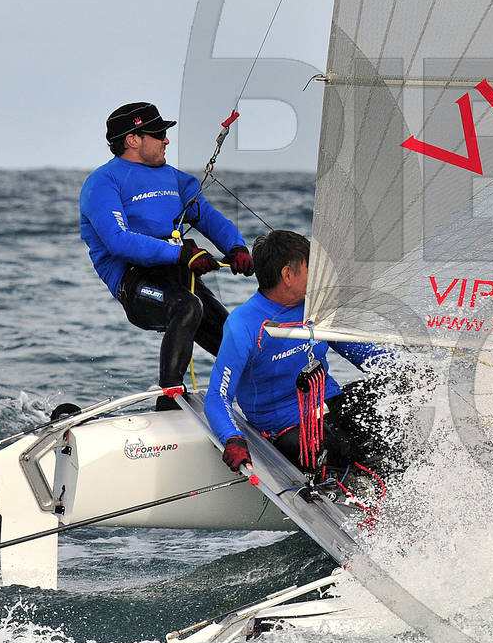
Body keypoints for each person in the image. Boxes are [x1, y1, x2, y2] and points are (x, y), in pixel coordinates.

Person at [78, 102, 253, 408]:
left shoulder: (176, 179)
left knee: (237, 343)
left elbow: (210, 219)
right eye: (159, 134)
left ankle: (266, 406)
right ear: (133, 139)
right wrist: (181, 253)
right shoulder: (103, 183)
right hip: (135, 282)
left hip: (179, 277)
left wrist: (236, 247)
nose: (166, 140)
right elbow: (118, 241)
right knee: (187, 307)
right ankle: (169, 399)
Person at [207, 230, 402, 478]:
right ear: (288, 275)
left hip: (330, 403)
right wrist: (232, 438)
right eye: (312, 270)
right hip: (288, 427)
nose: (319, 277)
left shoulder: (316, 308)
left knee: (395, 397)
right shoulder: (243, 325)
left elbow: (363, 353)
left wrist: (407, 371)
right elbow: (217, 396)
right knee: (344, 449)